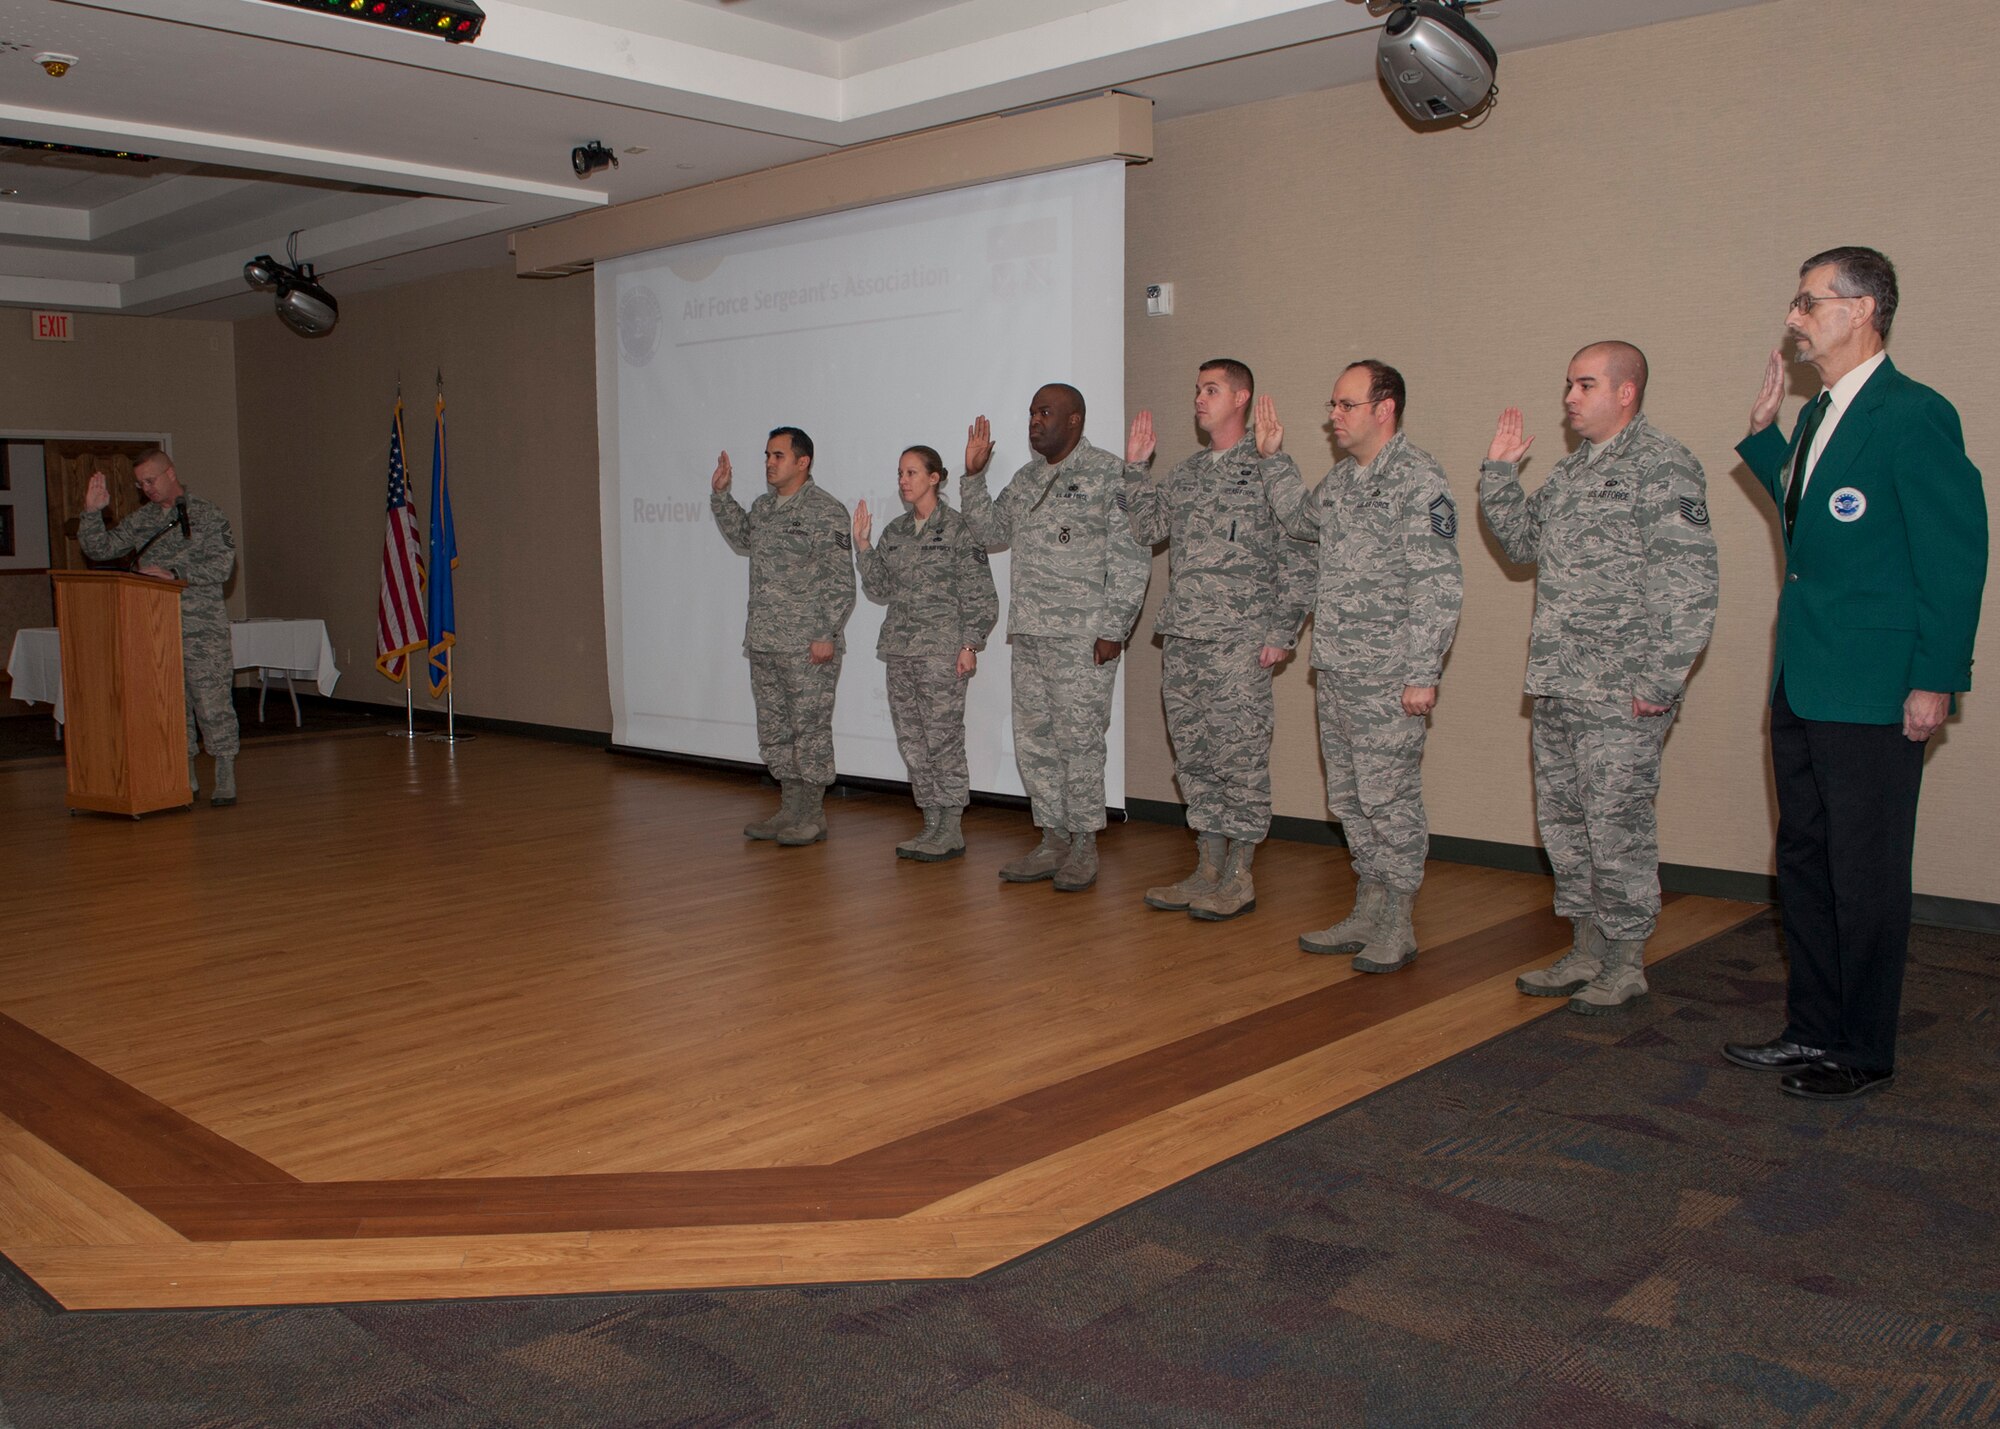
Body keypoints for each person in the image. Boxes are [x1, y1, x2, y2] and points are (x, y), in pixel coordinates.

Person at [1724, 246, 1986, 1100]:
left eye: (1810, 302)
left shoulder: (1913, 414)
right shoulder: (1817, 416)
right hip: (1804, 678)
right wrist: (1765, 438)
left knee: (1865, 869)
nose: (1795, 320)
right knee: (1804, 858)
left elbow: (1954, 555)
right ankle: (1812, 1029)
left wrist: (1935, 676)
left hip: (1875, 683)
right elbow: (1817, 534)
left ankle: (1863, 1048)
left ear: (1864, 309)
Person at [1479, 342, 1718, 1014]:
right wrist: (1498, 476)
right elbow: (1523, 545)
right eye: (1568, 384)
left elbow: (1689, 583)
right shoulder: (1569, 475)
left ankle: (1625, 958)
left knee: (1617, 828)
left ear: (1627, 392)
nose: (1569, 398)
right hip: (1560, 683)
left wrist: (1661, 679)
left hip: (1622, 689)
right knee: (1565, 823)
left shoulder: (1662, 466)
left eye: (1585, 384)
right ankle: (1585, 945)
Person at [1261, 361, 1462, 971]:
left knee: (1389, 799)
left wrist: (1423, 672)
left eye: (1346, 405)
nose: (1334, 416)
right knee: (1350, 799)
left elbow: (1439, 584)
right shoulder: (1344, 480)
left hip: (1389, 677)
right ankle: (1368, 908)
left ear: (1385, 408)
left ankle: (1398, 920)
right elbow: (1300, 524)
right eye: (1332, 405)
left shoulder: (1418, 478)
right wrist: (1275, 461)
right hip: (1340, 670)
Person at [1123, 359, 1312, 921]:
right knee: (1196, 758)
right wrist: (1135, 469)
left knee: (1241, 757)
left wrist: (1282, 632)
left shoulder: (1270, 469)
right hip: (1184, 638)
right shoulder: (1185, 473)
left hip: (1240, 642)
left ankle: (1240, 874)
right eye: (1197, 390)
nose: (1199, 400)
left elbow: (1301, 554)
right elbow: (1146, 530)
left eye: (1211, 390)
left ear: (1242, 398)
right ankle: (1207, 865)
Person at [960, 384, 1150, 892]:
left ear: (1075, 420)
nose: (1033, 421)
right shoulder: (1024, 480)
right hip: (1032, 636)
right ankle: (1052, 839)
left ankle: (1084, 844)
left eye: (1045, 413)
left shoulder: (1109, 473)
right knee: (1035, 743)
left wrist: (1115, 629)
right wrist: (974, 479)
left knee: (1080, 743)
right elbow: (988, 532)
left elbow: (1132, 558)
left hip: (1083, 638)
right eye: (1030, 413)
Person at [852, 445, 1000, 862]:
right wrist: (863, 546)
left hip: (941, 651)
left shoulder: (958, 529)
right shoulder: (896, 531)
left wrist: (970, 644)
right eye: (900, 473)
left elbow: (981, 595)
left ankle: (950, 825)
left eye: (912, 472)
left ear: (936, 477)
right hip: (899, 650)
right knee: (912, 741)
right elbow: (880, 590)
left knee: (943, 739)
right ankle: (930, 821)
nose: (903, 480)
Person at [710, 427, 855, 846]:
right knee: (775, 731)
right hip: (765, 640)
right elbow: (743, 538)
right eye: (767, 456)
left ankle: (812, 814)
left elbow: (840, 580)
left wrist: (825, 632)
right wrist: (722, 497)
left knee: (809, 730)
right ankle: (789, 808)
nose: (770, 463)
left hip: (807, 644)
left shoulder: (825, 511)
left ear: (802, 462)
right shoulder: (764, 507)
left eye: (778, 456)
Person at [78, 450, 240, 806]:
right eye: (140, 483)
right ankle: (182, 777)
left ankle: (225, 773)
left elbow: (223, 566)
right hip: (153, 627)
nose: (146, 488)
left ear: (170, 473)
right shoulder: (143, 519)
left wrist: (176, 575)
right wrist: (92, 512)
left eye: (150, 480)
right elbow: (99, 549)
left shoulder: (207, 514)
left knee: (212, 704)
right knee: (169, 706)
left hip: (201, 629)